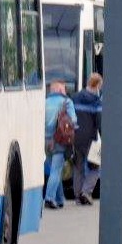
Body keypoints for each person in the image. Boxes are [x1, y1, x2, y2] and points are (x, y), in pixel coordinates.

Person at [43, 79, 77, 209]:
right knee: (56, 171)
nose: (65, 90)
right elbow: (73, 120)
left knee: (54, 169)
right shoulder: (67, 102)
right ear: (60, 90)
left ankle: (60, 198)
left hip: (45, 141)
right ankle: (49, 198)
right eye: (63, 88)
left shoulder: (44, 102)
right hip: (59, 140)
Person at [71, 73, 103, 206]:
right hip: (91, 139)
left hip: (75, 138)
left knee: (78, 167)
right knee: (96, 166)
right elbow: (100, 122)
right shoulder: (97, 101)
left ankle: (78, 196)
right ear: (97, 85)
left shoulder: (75, 97)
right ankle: (86, 191)